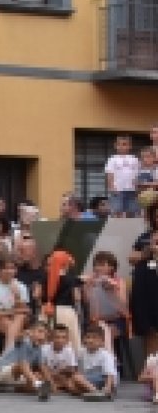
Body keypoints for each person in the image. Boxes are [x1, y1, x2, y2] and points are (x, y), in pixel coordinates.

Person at [0, 320, 52, 400]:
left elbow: (42, 366)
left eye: (45, 334)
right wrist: (23, 334)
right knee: (22, 364)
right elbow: (18, 338)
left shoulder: (39, 348)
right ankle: (38, 384)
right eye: (40, 331)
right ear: (31, 332)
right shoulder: (24, 341)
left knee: (39, 376)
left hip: (19, 376)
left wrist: (51, 384)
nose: (42, 335)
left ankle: (13, 388)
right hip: (3, 371)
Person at [85, 251, 127, 354]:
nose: (98, 268)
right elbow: (87, 303)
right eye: (96, 264)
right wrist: (88, 287)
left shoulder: (118, 281)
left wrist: (112, 290)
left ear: (111, 267)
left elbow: (123, 306)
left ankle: (113, 363)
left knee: (108, 336)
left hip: (115, 320)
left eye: (102, 265)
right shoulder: (90, 281)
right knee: (94, 338)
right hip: (96, 321)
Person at [40, 324, 97, 398]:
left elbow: (72, 369)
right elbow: (42, 367)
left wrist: (59, 372)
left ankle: (94, 392)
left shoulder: (69, 350)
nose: (60, 340)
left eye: (63, 337)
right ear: (51, 338)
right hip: (48, 376)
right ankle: (47, 388)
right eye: (57, 337)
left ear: (67, 340)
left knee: (72, 383)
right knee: (38, 377)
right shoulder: (44, 349)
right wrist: (51, 379)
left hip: (62, 377)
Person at [43, 249, 84, 354]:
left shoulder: (46, 278)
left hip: (47, 311)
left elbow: (38, 295)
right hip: (66, 311)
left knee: (48, 340)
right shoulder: (71, 279)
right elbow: (77, 297)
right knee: (70, 342)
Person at [129, 219, 158, 359]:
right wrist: (147, 252)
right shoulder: (144, 236)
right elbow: (132, 258)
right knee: (148, 328)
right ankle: (151, 367)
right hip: (144, 283)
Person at [0, 258, 29, 353]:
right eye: (6, 268)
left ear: (16, 270)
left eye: (12, 268)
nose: (9, 271)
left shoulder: (21, 286)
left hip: (17, 318)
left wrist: (17, 296)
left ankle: (6, 355)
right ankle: (9, 355)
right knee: (15, 327)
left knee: (20, 317)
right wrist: (14, 311)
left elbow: (26, 310)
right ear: (0, 270)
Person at [78, 325, 117, 400]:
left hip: (104, 379)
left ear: (102, 342)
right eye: (88, 337)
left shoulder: (105, 354)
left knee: (77, 377)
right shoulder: (82, 353)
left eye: (94, 338)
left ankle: (98, 392)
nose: (90, 340)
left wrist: (108, 386)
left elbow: (110, 373)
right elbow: (81, 370)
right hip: (90, 379)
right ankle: (95, 392)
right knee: (71, 384)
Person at [105, 134, 140, 217]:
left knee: (132, 211)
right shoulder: (112, 159)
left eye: (125, 144)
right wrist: (112, 187)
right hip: (118, 190)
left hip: (132, 190)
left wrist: (138, 188)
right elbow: (110, 174)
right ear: (115, 146)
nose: (122, 147)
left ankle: (130, 228)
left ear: (130, 146)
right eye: (119, 144)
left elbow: (137, 174)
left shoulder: (134, 159)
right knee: (117, 211)